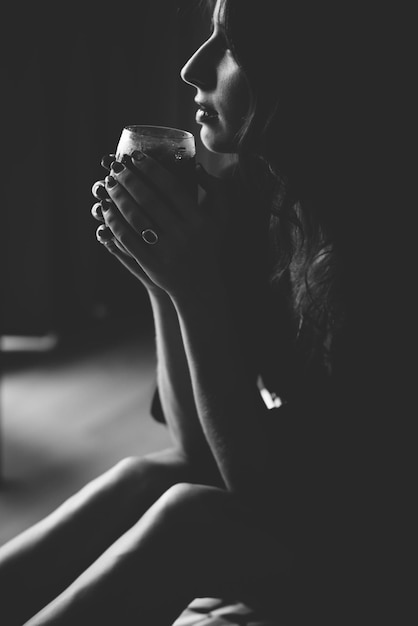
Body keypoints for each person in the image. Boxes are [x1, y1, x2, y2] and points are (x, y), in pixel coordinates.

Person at [0, 0, 408, 623]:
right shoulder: (260, 195)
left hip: (381, 554)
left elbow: (266, 502)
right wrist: (159, 280)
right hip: (307, 493)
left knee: (191, 520)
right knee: (145, 476)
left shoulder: (378, 255)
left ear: (306, 73)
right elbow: (197, 450)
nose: (193, 68)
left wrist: (195, 290)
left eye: (230, 46)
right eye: (206, 35)